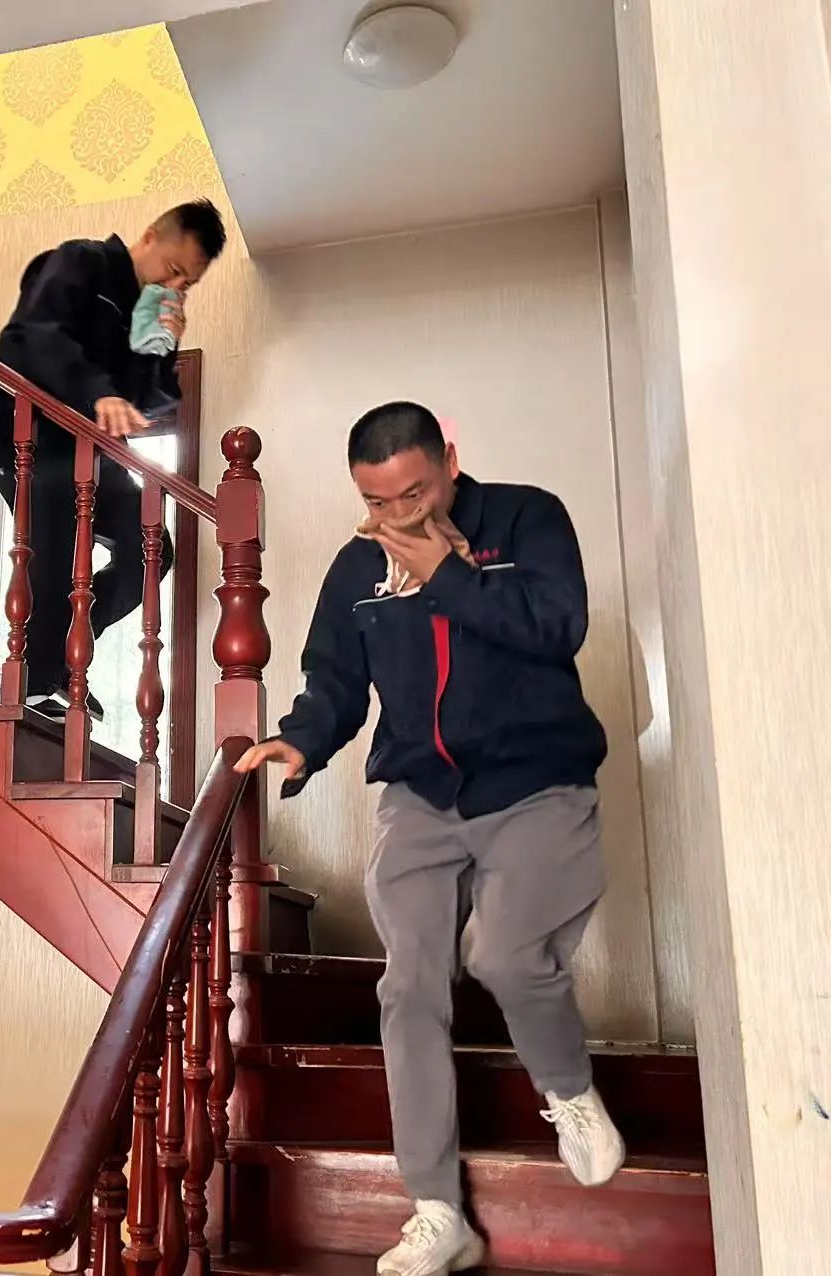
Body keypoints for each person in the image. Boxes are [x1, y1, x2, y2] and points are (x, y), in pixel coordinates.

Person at [236, 402, 624, 1276]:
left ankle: (568, 1089)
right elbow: (335, 678)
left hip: (536, 781)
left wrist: (447, 573)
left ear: (449, 458)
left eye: (413, 492)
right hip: (420, 794)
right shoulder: (358, 565)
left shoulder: (526, 518)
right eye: (377, 501)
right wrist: (302, 740)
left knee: (509, 958)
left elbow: (557, 626)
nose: (397, 514)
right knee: (408, 986)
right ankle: (438, 1210)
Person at [0, 199, 226, 718]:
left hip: (91, 449)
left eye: (187, 283)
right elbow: (37, 338)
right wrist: (98, 393)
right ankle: (36, 680)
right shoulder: (80, 261)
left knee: (151, 550)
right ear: (149, 237)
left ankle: (62, 654)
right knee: (55, 551)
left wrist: (161, 347)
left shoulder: (145, 310)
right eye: (173, 269)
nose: (174, 285)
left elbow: (148, 403)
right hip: (31, 436)